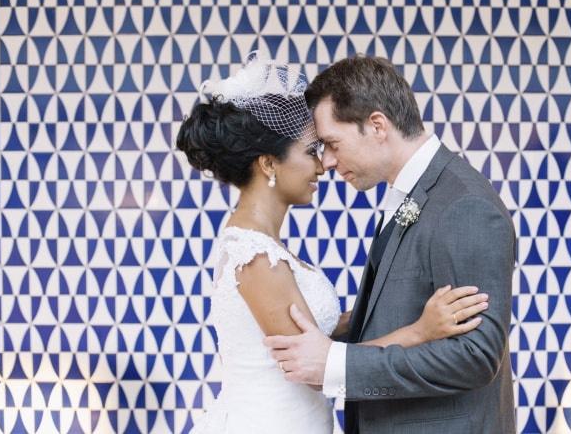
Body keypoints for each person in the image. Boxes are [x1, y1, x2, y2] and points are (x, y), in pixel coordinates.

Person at [176, 53, 490, 433]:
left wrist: (388, 316)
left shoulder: (265, 246)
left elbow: (314, 337)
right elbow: (313, 368)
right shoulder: (255, 256)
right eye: (312, 151)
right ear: (269, 164)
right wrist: (419, 331)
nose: (323, 164)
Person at [265, 55, 516, 433]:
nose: (328, 162)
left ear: (377, 125)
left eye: (333, 143)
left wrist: (337, 365)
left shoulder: (465, 206)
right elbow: (392, 313)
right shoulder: (414, 193)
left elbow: (476, 356)